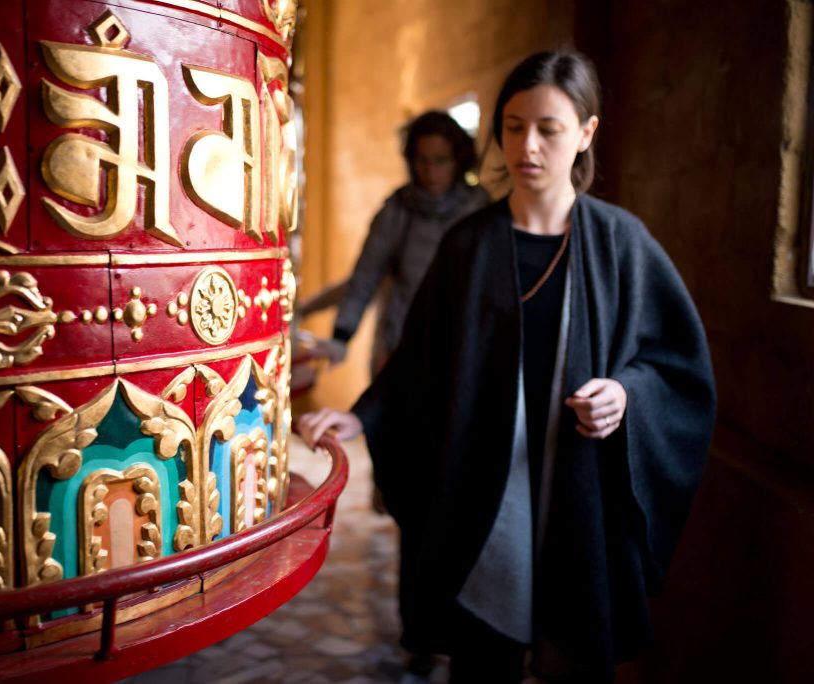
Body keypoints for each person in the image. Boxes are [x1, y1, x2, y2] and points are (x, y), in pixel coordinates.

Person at [297, 50, 716, 683]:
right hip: (484, 492)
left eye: (549, 128)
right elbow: (421, 359)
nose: (529, 145)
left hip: (580, 492)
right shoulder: (468, 245)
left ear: (586, 133)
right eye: (514, 126)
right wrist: (364, 417)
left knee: (574, 653)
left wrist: (627, 395)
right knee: (482, 656)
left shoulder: (620, 243)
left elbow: (677, 367)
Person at [316, 110, 490, 372]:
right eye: (422, 160)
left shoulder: (479, 210)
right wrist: (342, 335)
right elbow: (365, 276)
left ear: (458, 160)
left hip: (463, 347)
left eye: (440, 160)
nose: (430, 171)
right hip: (404, 346)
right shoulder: (397, 210)